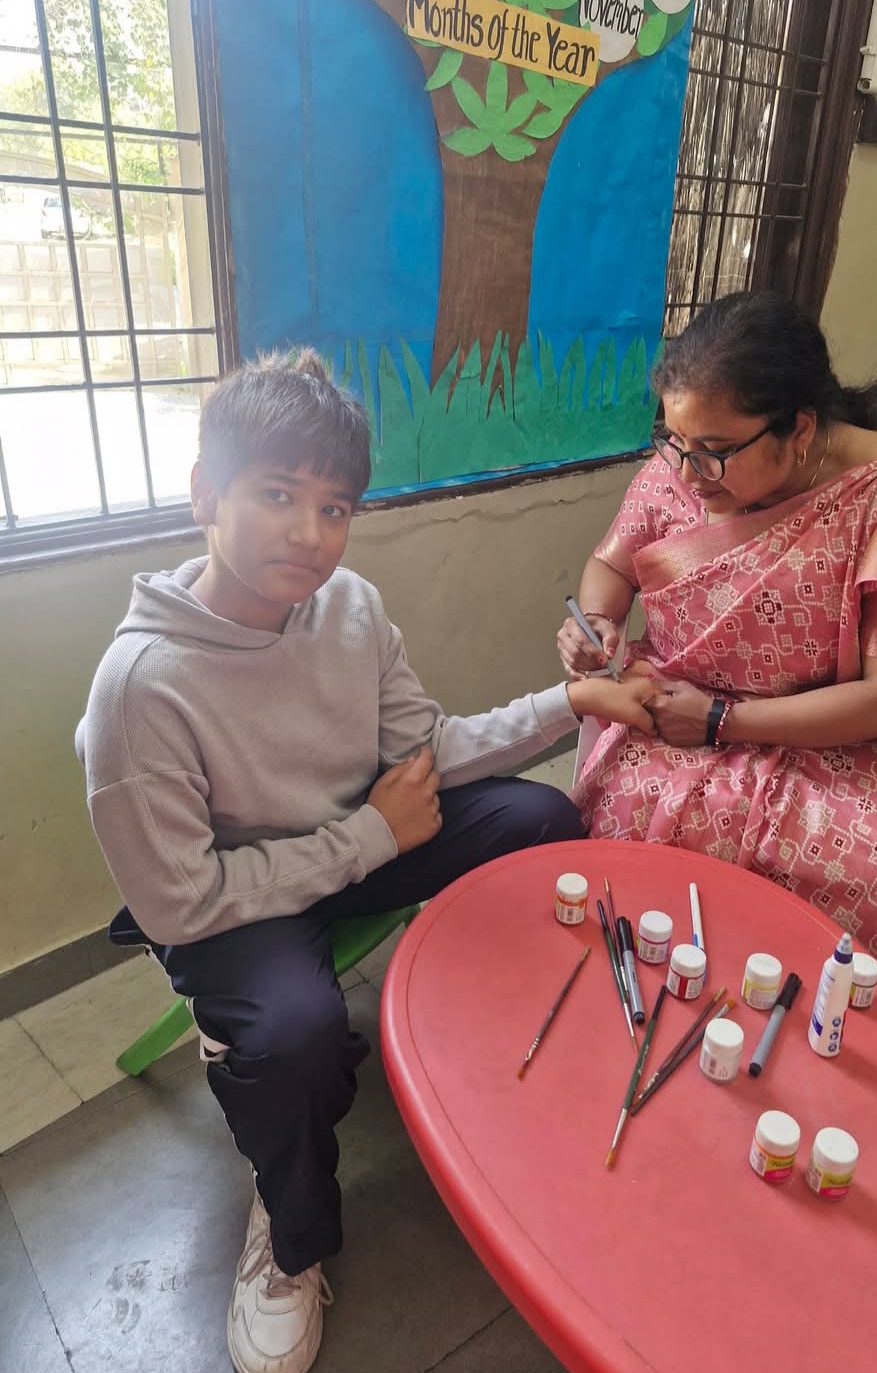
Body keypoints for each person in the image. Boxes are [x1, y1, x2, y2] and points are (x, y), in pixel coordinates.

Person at [77, 351, 656, 1373]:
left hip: (358, 834)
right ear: (206, 493)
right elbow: (177, 903)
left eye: (334, 506)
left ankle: (491, 1062)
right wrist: (370, 838)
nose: (309, 532)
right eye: (276, 495)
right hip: (231, 901)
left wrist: (568, 701)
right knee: (296, 1031)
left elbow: (422, 749)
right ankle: (291, 1235)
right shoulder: (141, 686)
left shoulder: (348, 604)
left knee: (541, 817)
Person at [558, 291, 877, 992]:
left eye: (714, 452)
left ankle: (831, 1022)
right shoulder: (689, 461)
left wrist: (723, 721)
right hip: (683, 708)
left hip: (851, 742)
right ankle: (666, 986)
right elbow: (612, 564)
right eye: (674, 442)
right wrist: (599, 619)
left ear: (800, 428)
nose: (686, 472)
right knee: (626, 802)